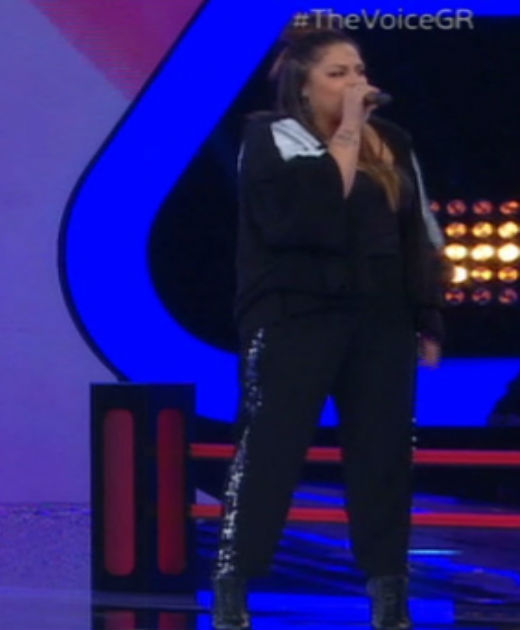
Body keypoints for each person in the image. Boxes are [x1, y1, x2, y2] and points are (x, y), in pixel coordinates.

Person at [211, 26, 445, 630]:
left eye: (358, 70)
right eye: (337, 73)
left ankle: (389, 592)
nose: (354, 83)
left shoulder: (393, 141)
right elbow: (309, 219)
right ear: (304, 85)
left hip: (381, 320)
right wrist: (346, 133)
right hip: (296, 315)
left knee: (383, 458)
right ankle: (235, 582)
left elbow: (417, 234)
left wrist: (427, 315)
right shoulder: (272, 137)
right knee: (271, 451)